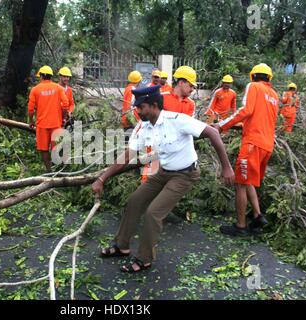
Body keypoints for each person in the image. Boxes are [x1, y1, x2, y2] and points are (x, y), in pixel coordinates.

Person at [92, 85, 235, 272]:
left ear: (153, 105)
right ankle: (122, 245)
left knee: (153, 213)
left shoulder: (177, 120)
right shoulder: (143, 127)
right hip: (163, 172)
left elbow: (213, 133)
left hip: (185, 174)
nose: (137, 111)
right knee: (134, 201)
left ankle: (144, 259)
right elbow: (127, 156)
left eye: (140, 107)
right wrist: (102, 178)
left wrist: (226, 167)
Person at [212, 63, 279, 236]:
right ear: (269, 78)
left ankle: (241, 226)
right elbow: (261, 119)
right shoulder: (273, 95)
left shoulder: (253, 86)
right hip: (267, 145)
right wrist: (240, 126)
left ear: (253, 76)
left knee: (240, 184)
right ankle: (258, 216)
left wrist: (221, 125)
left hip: (252, 144)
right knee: (248, 180)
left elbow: (246, 110)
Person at [28, 65, 69, 172]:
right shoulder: (58, 88)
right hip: (56, 124)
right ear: (51, 76)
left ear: (41, 76)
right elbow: (65, 104)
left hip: (42, 125)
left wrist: (31, 121)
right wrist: (63, 118)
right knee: (55, 147)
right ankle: (60, 169)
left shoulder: (35, 90)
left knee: (44, 149)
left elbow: (31, 109)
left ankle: (49, 171)